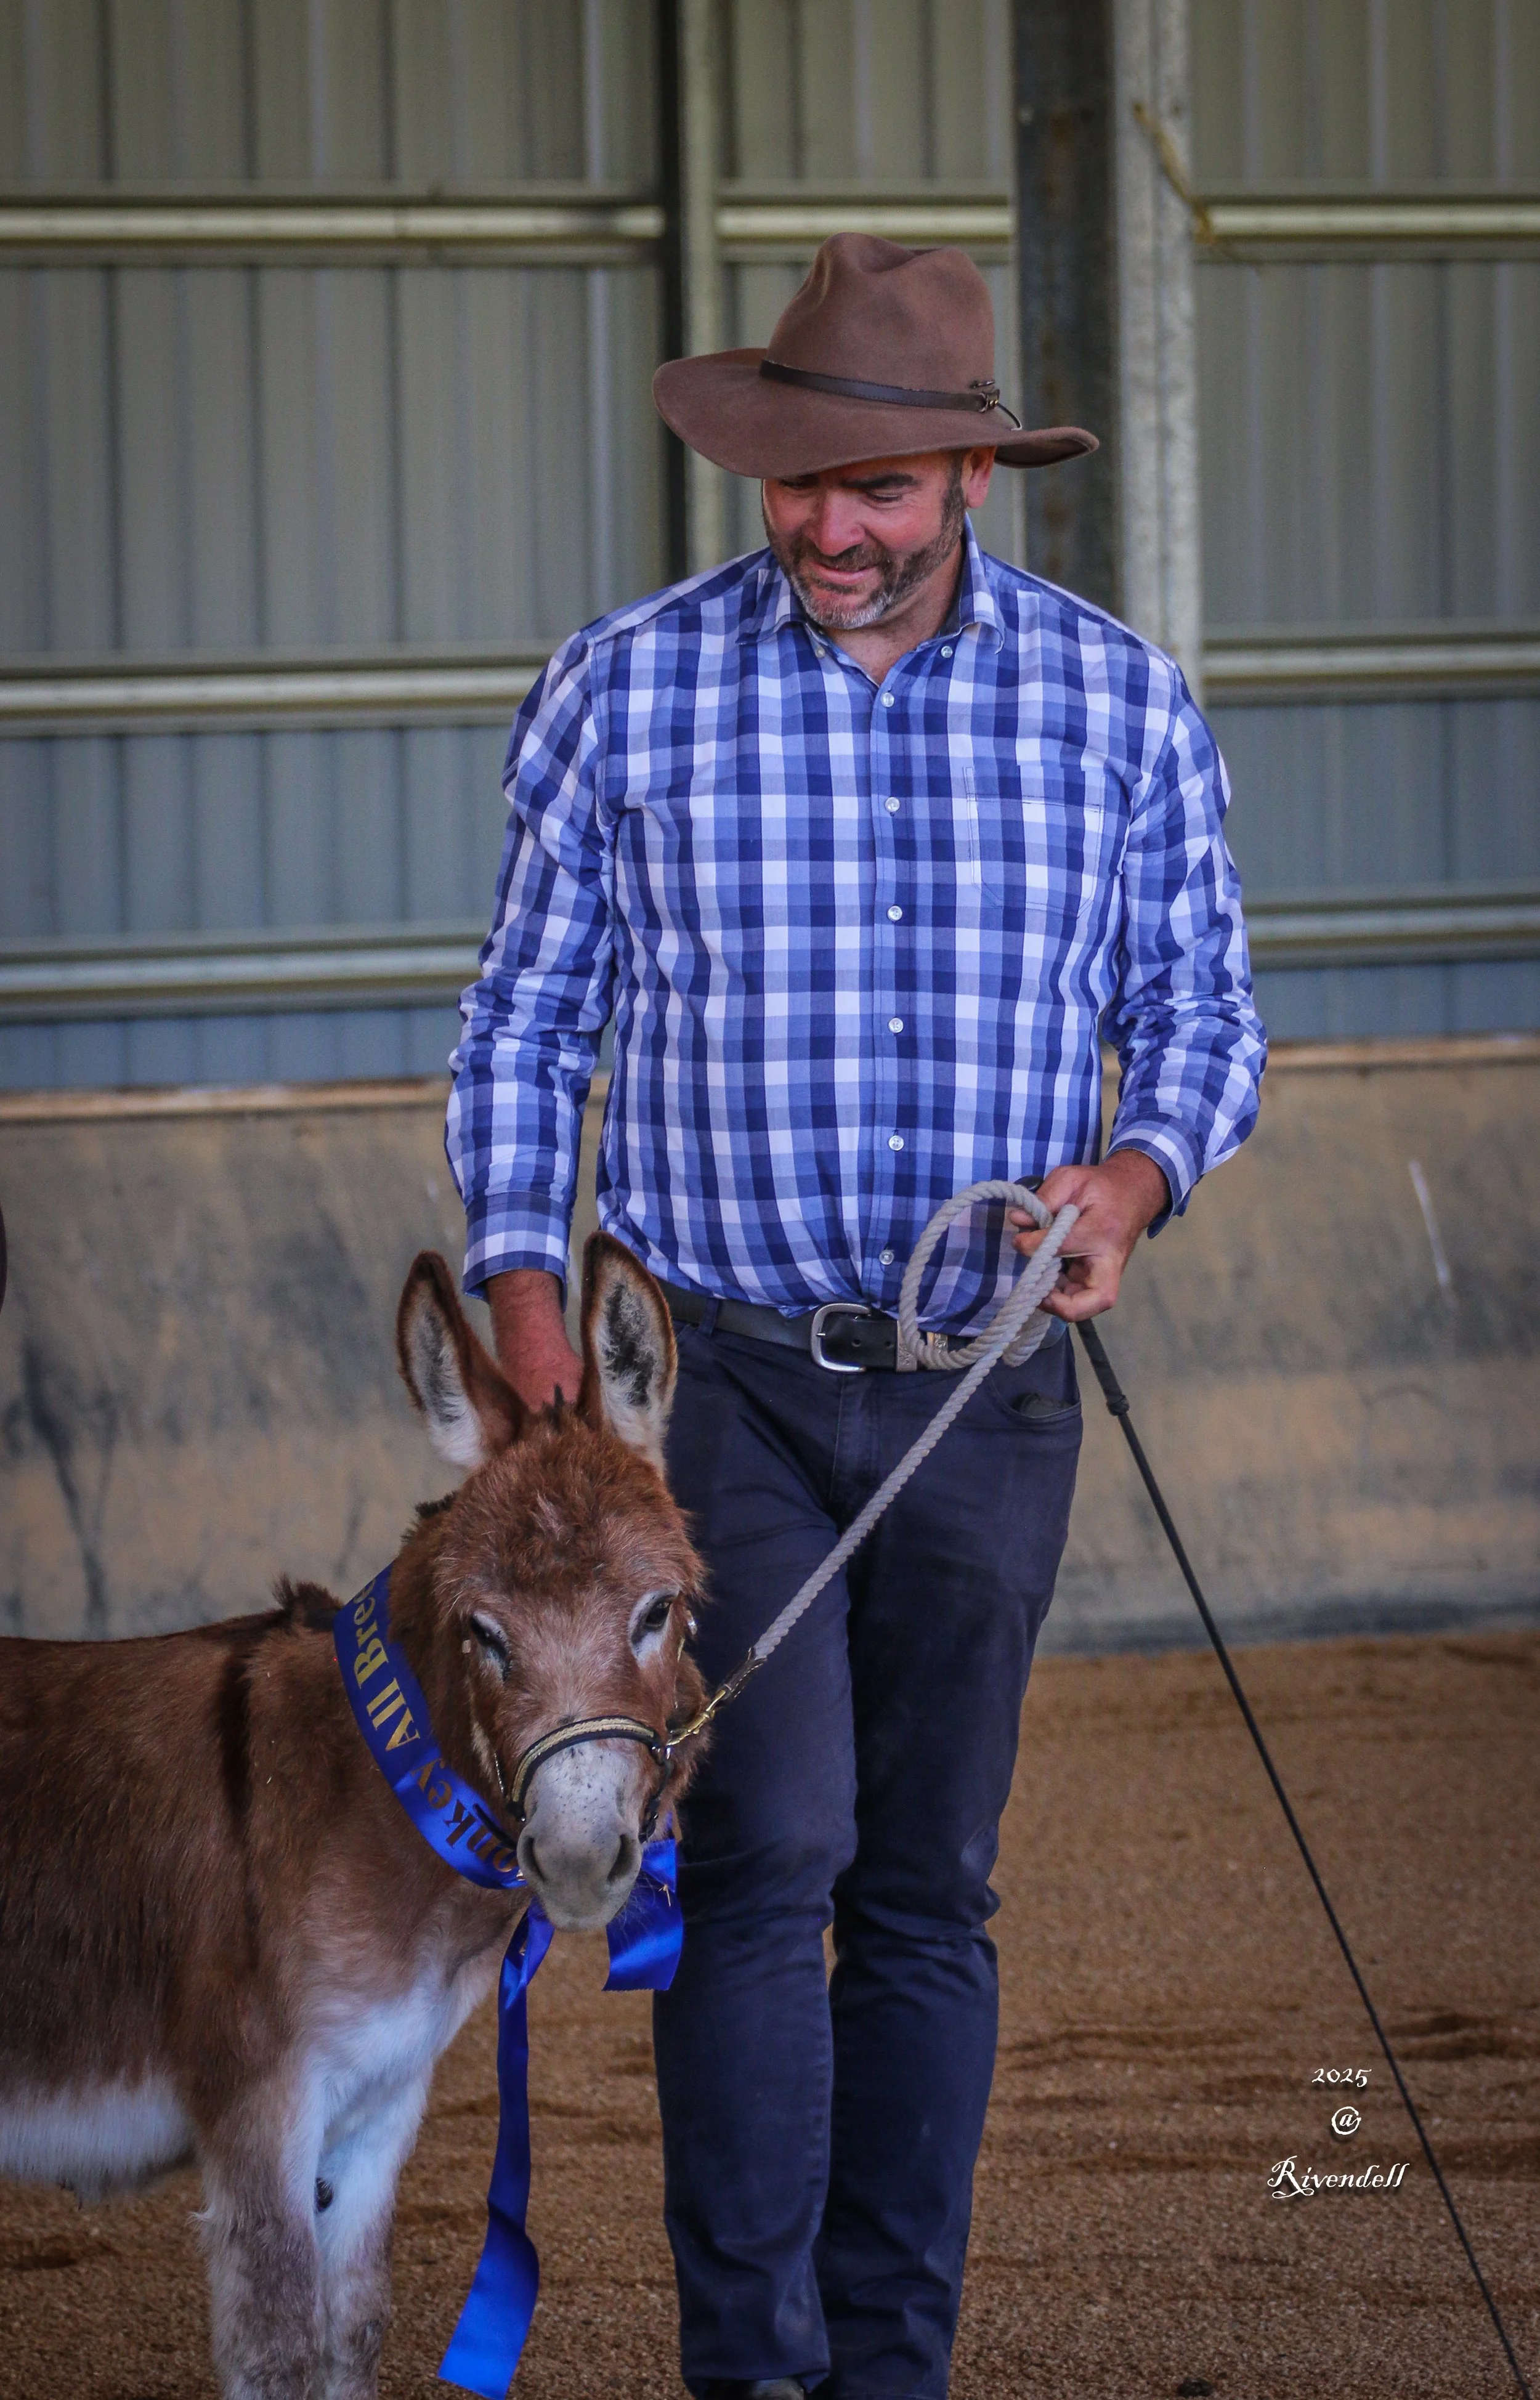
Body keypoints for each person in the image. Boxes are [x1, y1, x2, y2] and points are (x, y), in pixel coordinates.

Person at [447, 233, 1265, 2400]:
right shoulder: (625, 687)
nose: (829, 528)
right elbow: (526, 1031)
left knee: (925, 1883)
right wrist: (529, 1299)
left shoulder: (1116, 704)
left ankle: (888, 2364)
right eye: (798, 484)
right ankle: (755, 2367)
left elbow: (1201, 1013)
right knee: (769, 1847)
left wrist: (1133, 1176)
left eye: (878, 491)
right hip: (719, 1391)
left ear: (970, 479)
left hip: (987, 1398)